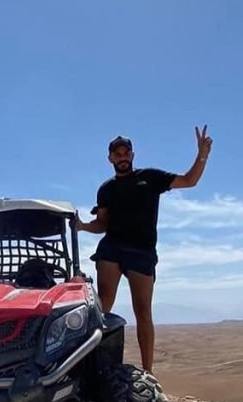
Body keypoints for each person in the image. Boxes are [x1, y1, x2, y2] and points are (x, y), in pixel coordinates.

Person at [77, 126, 213, 374]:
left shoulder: (150, 177)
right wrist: (82, 226)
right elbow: (102, 224)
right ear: (110, 158)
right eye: (117, 153)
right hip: (112, 248)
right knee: (102, 305)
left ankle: (148, 373)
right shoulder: (106, 189)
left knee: (143, 310)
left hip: (141, 251)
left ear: (132, 155)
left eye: (125, 152)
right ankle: (91, 369)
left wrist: (202, 155)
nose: (122, 156)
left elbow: (189, 181)